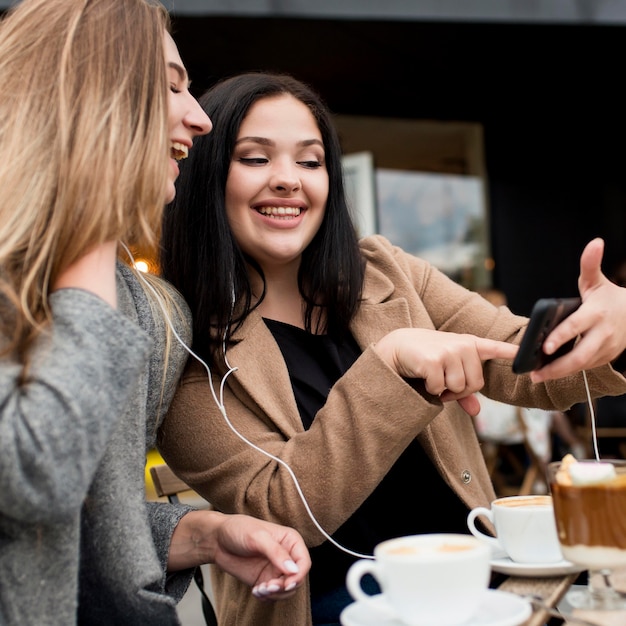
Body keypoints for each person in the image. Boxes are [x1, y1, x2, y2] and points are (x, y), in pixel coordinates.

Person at [157, 72, 626, 626]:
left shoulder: (386, 271)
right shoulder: (179, 334)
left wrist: (606, 328)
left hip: (475, 573)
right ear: (207, 175)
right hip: (330, 602)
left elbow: (521, 362)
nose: (288, 181)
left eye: (310, 162)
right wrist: (390, 367)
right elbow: (281, 507)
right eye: (255, 159)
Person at [0, 6, 310, 626]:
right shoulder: (100, 293)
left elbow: (72, 528)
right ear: (90, 96)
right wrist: (88, 216)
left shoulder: (147, 307)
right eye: (171, 84)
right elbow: (34, 472)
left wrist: (201, 536)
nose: (198, 117)